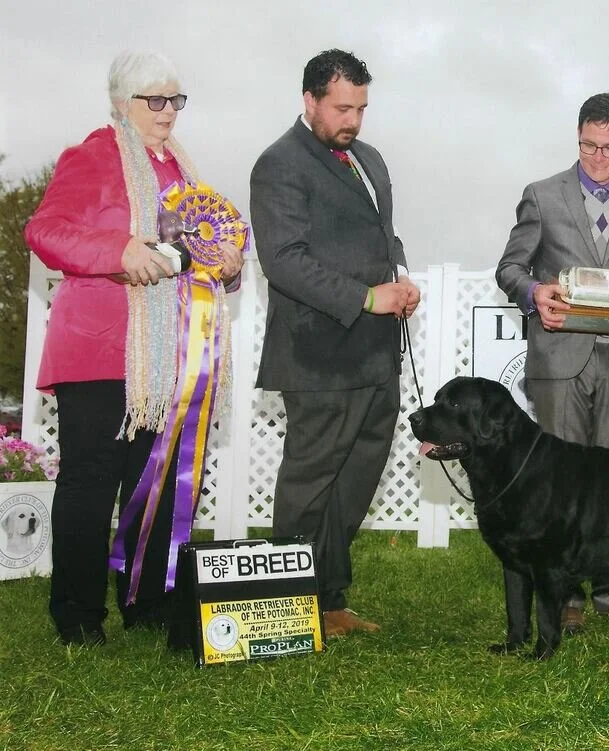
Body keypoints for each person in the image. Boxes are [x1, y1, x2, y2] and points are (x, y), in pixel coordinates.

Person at [24, 51, 244, 646]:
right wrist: (118, 251)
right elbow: (45, 231)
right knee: (91, 483)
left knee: (160, 479)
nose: (169, 111)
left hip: (172, 352)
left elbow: (201, 244)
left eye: (176, 99)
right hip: (98, 350)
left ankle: (148, 601)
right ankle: (76, 613)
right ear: (123, 103)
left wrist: (226, 262)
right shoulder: (93, 155)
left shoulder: (183, 171)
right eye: (156, 100)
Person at [251, 49, 420, 638]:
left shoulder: (368, 158)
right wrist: (367, 298)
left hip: (376, 355)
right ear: (310, 100)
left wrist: (397, 273)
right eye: (342, 107)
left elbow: (383, 236)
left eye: (361, 108)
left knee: (356, 479)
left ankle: (329, 599)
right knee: (310, 483)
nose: (353, 119)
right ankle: (283, 607)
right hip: (317, 354)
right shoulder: (279, 164)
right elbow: (284, 261)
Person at [496, 93, 609, 633]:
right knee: (558, 487)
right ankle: (564, 596)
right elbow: (509, 267)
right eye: (588, 145)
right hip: (558, 358)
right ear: (577, 136)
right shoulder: (542, 195)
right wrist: (534, 293)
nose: (598, 157)